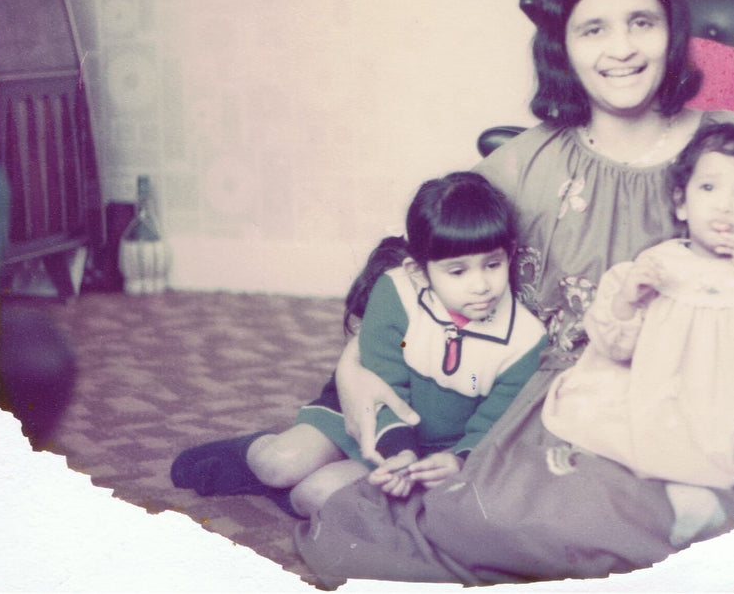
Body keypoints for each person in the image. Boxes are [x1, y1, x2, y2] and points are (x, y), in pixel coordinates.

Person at [293, 0, 734, 586]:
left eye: (642, 22)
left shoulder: (731, 155)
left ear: (673, 29)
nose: (622, 48)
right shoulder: (528, 162)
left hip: (697, 403)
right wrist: (353, 370)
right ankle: (384, 497)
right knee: (515, 524)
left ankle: (371, 495)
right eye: (593, 28)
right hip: (557, 415)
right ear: (563, 46)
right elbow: (413, 269)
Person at [540, 121, 734, 546]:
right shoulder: (658, 264)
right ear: (681, 205)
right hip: (667, 394)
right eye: (708, 188)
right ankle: (693, 499)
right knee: (650, 439)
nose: (724, 206)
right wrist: (627, 299)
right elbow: (614, 345)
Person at [171, 171, 547, 517]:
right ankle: (249, 457)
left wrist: (458, 460)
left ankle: (277, 492)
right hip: (368, 415)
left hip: (433, 452)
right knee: (279, 463)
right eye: (458, 271)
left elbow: (493, 423)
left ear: (509, 254)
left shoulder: (525, 341)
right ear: (420, 271)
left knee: (314, 495)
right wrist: (397, 449)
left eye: (492, 265)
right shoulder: (396, 290)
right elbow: (381, 378)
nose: (481, 285)